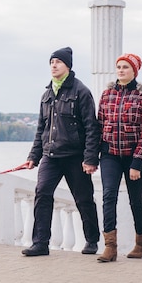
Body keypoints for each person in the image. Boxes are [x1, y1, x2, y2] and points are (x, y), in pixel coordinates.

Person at [21, 46, 101, 256]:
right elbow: (42, 129)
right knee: (42, 194)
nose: (53, 66)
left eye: (57, 62)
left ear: (68, 66)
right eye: (51, 62)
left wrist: (90, 158)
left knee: (84, 199)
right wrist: (33, 156)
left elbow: (92, 127)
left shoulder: (81, 91)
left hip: (75, 157)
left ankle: (92, 240)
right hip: (50, 156)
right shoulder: (47, 94)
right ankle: (40, 243)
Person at [96, 53, 142, 262]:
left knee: (135, 201)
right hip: (110, 155)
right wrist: (94, 157)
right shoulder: (107, 94)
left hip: (133, 157)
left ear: (134, 71)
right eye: (118, 67)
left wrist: (137, 162)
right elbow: (99, 126)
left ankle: (141, 244)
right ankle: (110, 247)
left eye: (125, 67)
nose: (121, 70)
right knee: (108, 196)